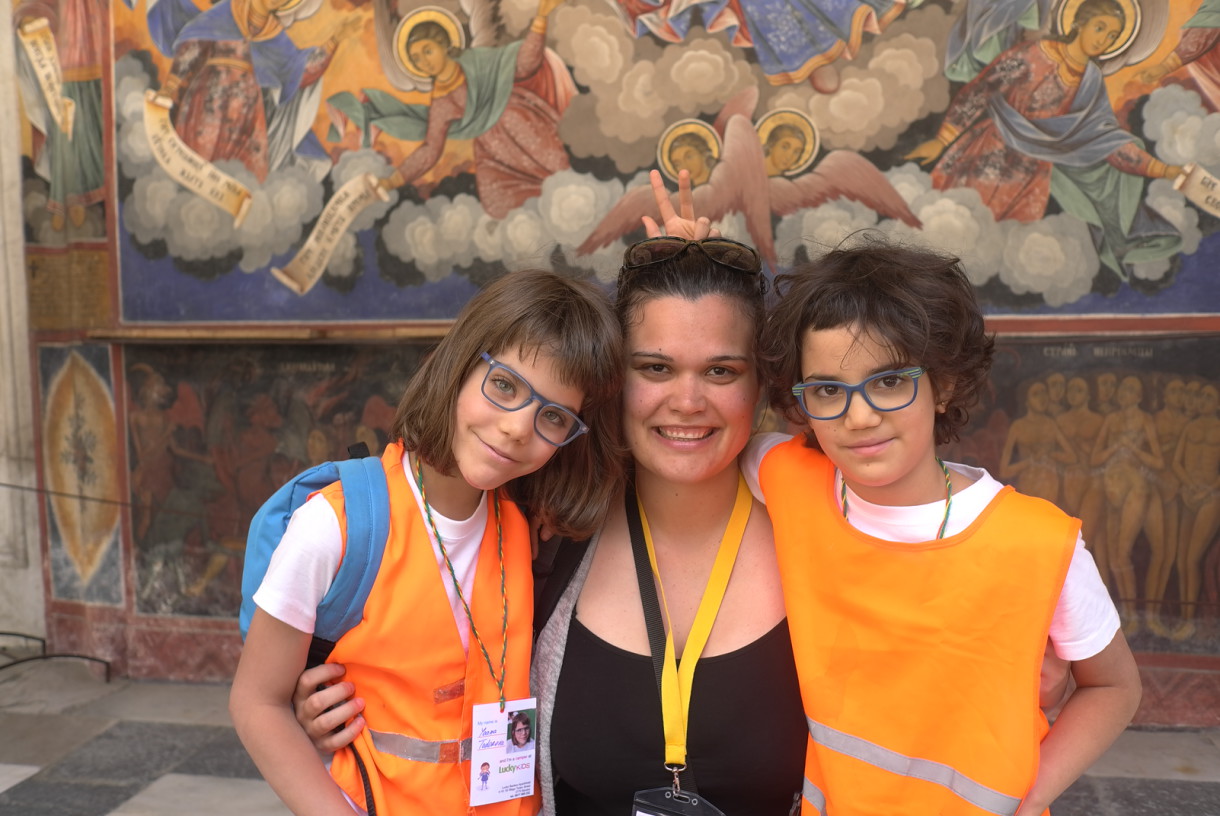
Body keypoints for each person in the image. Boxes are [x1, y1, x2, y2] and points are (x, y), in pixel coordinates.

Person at [753, 234, 1141, 815]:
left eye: (889, 382)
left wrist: (1030, 800)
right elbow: (703, 431)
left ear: (946, 384)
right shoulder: (788, 478)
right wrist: (689, 266)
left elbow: (1115, 687)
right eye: (828, 390)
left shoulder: (1036, 542)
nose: (859, 416)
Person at [229, 268, 625, 816]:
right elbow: (257, 703)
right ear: (460, 364)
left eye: (552, 417)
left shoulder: (525, 521)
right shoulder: (339, 528)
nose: (517, 427)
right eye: (505, 386)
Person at [906, 0, 1183, 279]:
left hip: (1031, 177)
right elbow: (981, 91)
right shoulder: (1032, 54)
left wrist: (1163, 170)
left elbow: (1106, 140)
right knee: (950, 238)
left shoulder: (1091, 81)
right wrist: (942, 140)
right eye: (1100, 28)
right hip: (987, 156)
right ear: (1078, 23)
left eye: (1112, 36)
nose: (1104, 40)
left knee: (1000, 254)